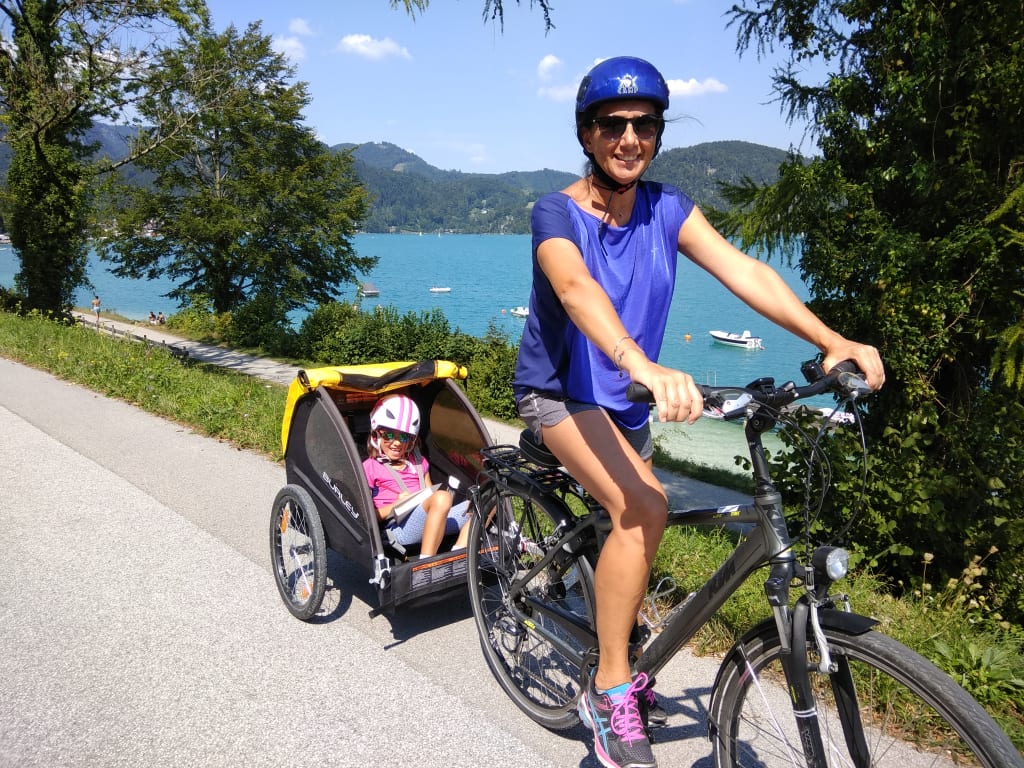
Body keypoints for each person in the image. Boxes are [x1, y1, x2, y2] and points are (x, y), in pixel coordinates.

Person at [512, 56, 885, 768]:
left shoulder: (669, 208)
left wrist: (831, 339)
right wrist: (644, 366)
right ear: (587, 135)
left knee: (637, 520)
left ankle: (613, 620)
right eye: (612, 125)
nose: (629, 139)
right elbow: (575, 288)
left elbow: (744, 269)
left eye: (644, 124)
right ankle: (610, 685)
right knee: (644, 511)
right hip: (561, 392)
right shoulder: (553, 213)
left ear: (657, 131)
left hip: (624, 397)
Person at [362, 394, 471, 557]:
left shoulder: (419, 463)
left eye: (404, 437)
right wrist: (397, 505)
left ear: (411, 441)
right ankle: (427, 562)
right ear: (377, 434)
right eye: (389, 435)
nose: (397, 443)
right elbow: (367, 517)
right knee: (443, 498)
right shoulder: (370, 467)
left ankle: (460, 552)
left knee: (485, 499)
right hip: (398, 527)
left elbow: (431, 495)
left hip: (429, 521)